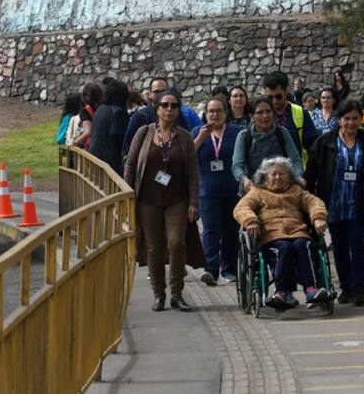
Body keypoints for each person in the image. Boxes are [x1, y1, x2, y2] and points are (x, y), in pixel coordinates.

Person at [124, 89, 202, 312]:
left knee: (177, 243)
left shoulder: (185, 138)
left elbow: (193, 172)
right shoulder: (144, 133)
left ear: (179, 110)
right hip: (147, 200)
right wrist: (128, 196)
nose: (169, 109)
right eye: (165, 105)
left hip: (176, 200)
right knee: (154, 247)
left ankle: (177, 293)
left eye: (174, 106)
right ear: (156, 109)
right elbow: (130, 165)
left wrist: (193, 202)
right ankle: (159, 294)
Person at [305, 99, 364, 306]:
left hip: (359, 204)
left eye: (355, 119)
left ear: (360, 120)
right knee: (339, 248)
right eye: (347, 119)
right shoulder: (325, 142)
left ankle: (358, 289)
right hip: (334, 203)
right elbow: (311, 173)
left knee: (358, 246)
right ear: (339, 120)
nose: (351, 123)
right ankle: (345, 287)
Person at [234, 157, 329, 307]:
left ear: (290, 176)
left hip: (298, 232)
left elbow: (314, 202)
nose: (278, 177)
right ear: (265, 176)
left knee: (302, 245)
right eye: (274, 174)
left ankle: (311, 289)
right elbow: (241, 208)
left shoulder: (297, 191)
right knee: (285, 248)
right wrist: (251, 221)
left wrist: (318, 218)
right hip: (271, 235)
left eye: (282, 174)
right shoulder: (257, 192)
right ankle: (281, 292)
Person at [192, 98, 242, 285]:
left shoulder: (236, 133)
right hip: (207, 191)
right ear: (205, 114)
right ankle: (211, 270)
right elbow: (188, 156)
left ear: (225, 113)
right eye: (211, 111)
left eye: (219, 111)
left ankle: (229, 269)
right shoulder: (198, 132)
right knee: (211, 231)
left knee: (231, 230)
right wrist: (200, 139)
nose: (215, 114)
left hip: (231, 190)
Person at [232, 96, 302, 197]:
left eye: (268, 111)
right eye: (260, 113)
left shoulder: (282, 133)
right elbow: (237, 165)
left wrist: (298, 179)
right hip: (252, 192)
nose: (265, 116)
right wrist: (244, 179)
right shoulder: (244, 137)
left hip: (281, 191)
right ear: (252, 117)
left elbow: (295, 161)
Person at [122, 77, 201, 156]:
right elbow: (128, 148)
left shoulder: (177, 114)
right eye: (156, 91)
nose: (161, 94)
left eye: (164, 91)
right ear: (149, 94)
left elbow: (185, 143)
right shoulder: (141, 116)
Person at [264, 71, 319, 166]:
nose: (274, 101)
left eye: (278, 96)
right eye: (270, 97)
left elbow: (313, 147)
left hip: (295, 173)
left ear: (286, 91)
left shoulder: (301, 113)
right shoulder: (261, 114)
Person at [89, 80, 130, 175]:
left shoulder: (100, 109)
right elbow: (118, 139)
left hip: (95, 158)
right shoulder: (117, 112)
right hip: (109, 162)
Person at [72, 83, 102, 149]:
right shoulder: (103, 108)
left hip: (91, 145)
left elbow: (88, 131)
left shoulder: (85, 111)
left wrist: (74, 143)